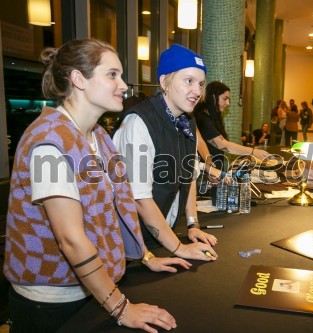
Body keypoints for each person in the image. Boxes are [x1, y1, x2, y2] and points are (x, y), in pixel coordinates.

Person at [3, 39, 185, 332]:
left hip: (93, 290)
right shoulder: (48, 142)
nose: (123, 85)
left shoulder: (98, 135)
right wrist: (121, 308)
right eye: (112, 74)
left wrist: (145, 254)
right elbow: (71, 240)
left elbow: (113, 208)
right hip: (53, 303)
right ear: (78, 79)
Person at [113, 44, 218, 259]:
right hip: (133, 246)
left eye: (200, 84)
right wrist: (180, 249)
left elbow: (189, 176)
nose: (197, 91)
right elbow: (140, 199)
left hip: (164, 238)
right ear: (164, 82)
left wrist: (192, 224)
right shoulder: (138, 122)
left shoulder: (187, 120)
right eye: (188, 81)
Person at [194, 81, 269, 170]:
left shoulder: (211, 116)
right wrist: (253, 151)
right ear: (213, 97)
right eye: (225, 99)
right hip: (205, 174)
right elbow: (223, 145)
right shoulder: (202, 118)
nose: (228, 103)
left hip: (213, 171)